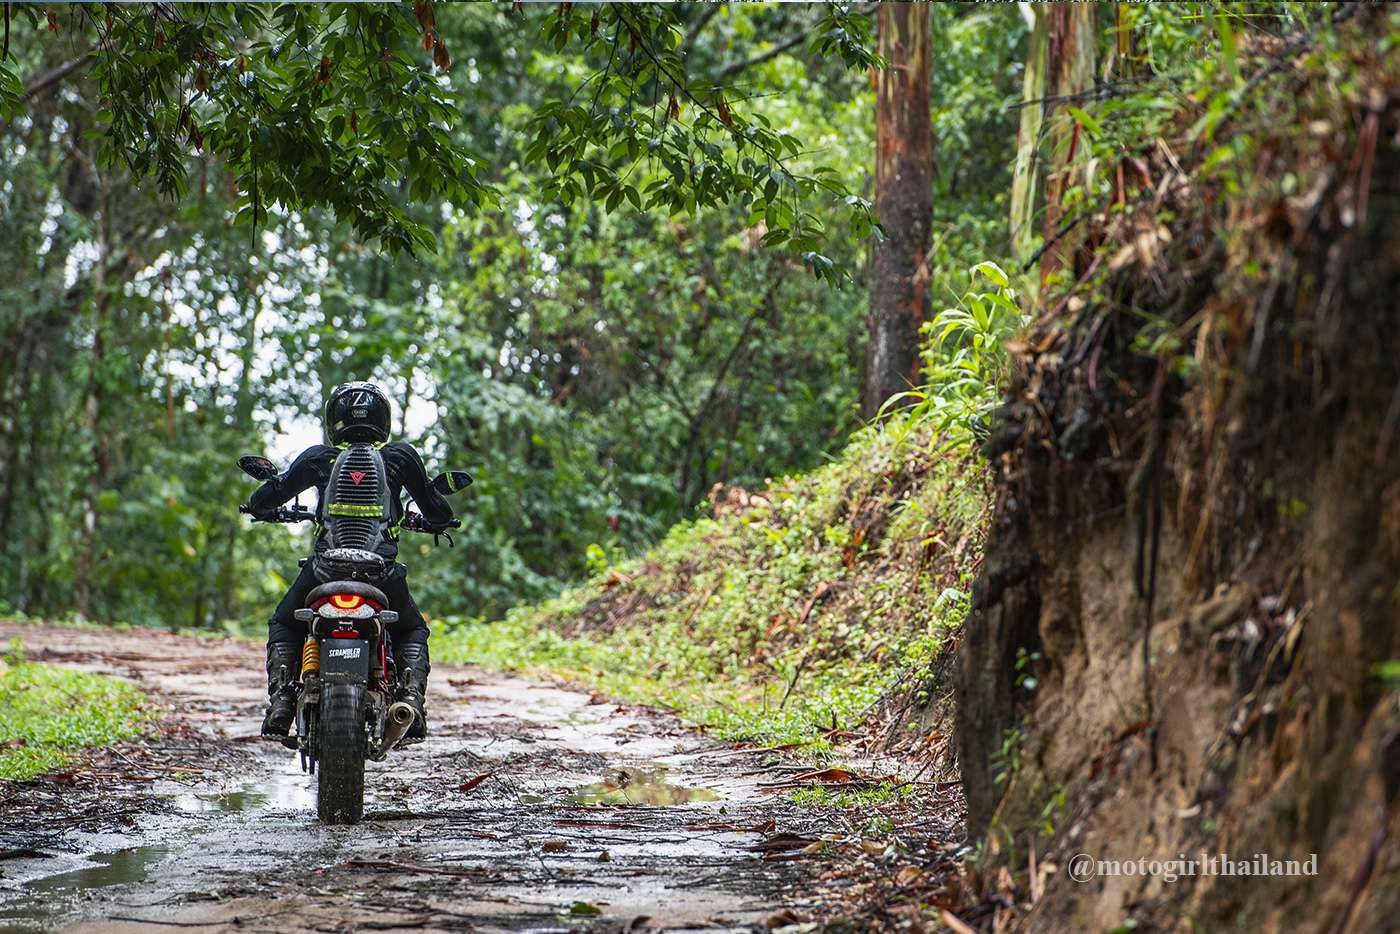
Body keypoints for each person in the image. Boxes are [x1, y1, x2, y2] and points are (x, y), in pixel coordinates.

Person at [247, 381, 455, 743]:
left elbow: (266, 497)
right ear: (383, 421)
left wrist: (265, 506)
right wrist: (434, 520)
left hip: (324, 572)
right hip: (381, 575)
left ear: (334, 421)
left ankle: (281, 701)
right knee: (412, 629)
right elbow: (438, 509)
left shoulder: (318, 458)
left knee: (284, 622)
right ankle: (411, 701)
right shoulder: (400, 457)